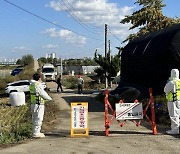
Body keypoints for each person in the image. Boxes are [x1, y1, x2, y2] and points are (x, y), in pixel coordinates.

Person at [29, 73, 52, 138]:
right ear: (39, 78)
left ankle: (35, 132)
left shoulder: (32, 84)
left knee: (34, 119)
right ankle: (36, 133)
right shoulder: (37, 85)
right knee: (39, 118)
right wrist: (49, 99)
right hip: (39, 104)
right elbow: (42, 94)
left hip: (33, 104)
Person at [164, 69, 180, 135]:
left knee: (173, 115)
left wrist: (168, 82)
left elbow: (165, 90)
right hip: (179, 100)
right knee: (178, 115)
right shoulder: (179, 82)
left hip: (172, 101)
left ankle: (174, 130)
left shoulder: (171, 82)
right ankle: (177, 129)